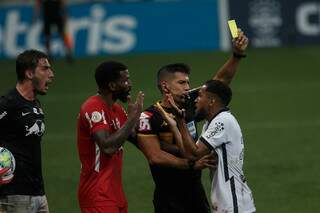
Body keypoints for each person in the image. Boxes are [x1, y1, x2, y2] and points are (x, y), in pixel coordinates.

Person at [136, 29, 248, 213]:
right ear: (165, 86)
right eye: (182, 83)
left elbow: (219, 82)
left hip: (196, 193)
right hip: (168, 197)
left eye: (188, 82)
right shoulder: (149, 117)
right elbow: (155, 157)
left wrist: (237, 54)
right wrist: (191, 164)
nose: (188, 88)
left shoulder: (191, 104)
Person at [157, 80, 256, 213]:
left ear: (212, 101)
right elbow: (189, 153)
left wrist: (180, 121)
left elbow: (194, 154)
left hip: (233, 201)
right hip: (226, 200)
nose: (195, 100)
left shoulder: (223, 121)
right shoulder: (210, 124)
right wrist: (175, 127)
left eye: (200, 96)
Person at [76, 61, 144, 213]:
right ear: (112, 86)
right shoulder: (92, 107)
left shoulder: (118, 110)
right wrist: (132, 119)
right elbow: (107, 147)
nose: (130, 84)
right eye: (125, 81)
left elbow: (140, 141)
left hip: (115, 193)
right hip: (97, 193)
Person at [0, 49, 54, 212]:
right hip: (14, 196)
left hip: (38, 193)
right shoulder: (8, 104)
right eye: (45, 69)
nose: (51, 74)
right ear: (29, 73)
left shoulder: (35, 104)